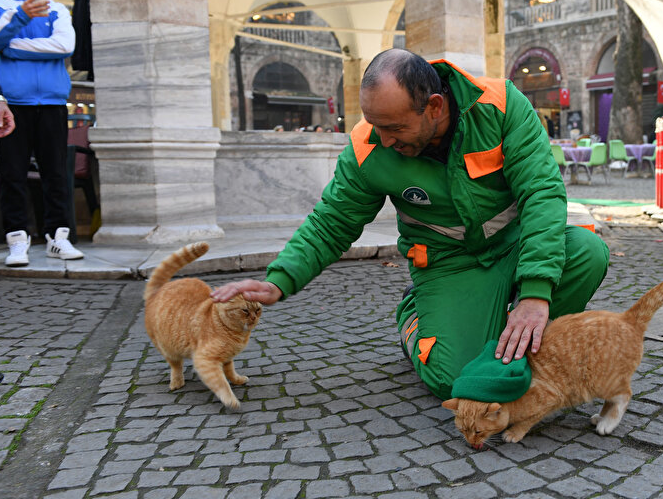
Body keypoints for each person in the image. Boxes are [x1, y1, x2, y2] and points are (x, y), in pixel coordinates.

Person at [211, 49, 609, 400]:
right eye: (374, 125)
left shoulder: (502, 106)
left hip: (518, 246)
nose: (383, 140)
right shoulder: (368, 147)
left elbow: (542, 194)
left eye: (395, 128)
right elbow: (333, 220)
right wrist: (280, 278)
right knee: (452, 381)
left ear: (434, 106)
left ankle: (523, 342)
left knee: (588, 252)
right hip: (449, 265)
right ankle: (413, 315)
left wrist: (536, 294)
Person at [0, 0, 82, 266]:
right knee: (12, 175)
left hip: (53, 102)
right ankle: (17, 240)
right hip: (12, 104)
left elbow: (64, 45)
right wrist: (19, 19)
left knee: (55, 174)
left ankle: (59, 238)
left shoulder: (57, 7)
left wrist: (9, 46)